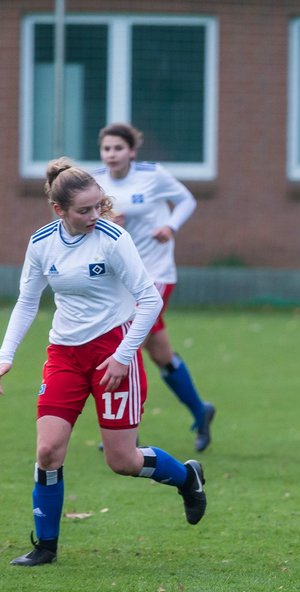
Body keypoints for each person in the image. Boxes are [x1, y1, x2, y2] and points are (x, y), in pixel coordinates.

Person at [0, 158, 207, 567]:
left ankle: (186, 476)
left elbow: (150, 300)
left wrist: (124, 357)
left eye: (98, 206)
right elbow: (27, 302)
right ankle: (46, 546)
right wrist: (5, 358)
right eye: (84, 210)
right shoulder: (41, 244)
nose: (95, 215)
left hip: (113, 352)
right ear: (59, 211)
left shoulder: (112, 238)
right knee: (48, 451)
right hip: (64, 356)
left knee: (121, 461)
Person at [94, 122, 216, 453]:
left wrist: (170, 226)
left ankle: (125, 432)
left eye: (118, 148)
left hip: (156, 275)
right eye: (106, 148)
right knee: (160, 354)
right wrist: (106, 224)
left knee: (124, 347)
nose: (112, 154)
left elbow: (187, 200)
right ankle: (200, 412)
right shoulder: (95, 183)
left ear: (131, 151)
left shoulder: (152, 175)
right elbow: (88, 227)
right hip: (122, 279)